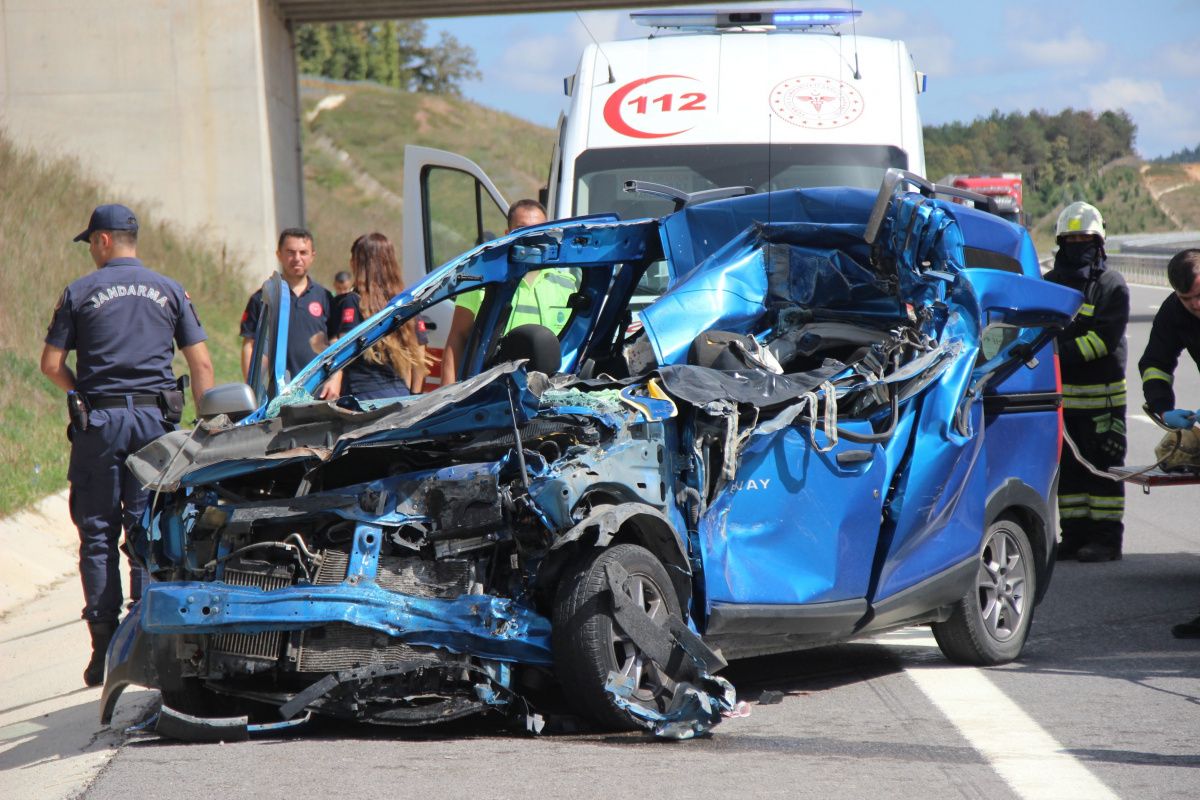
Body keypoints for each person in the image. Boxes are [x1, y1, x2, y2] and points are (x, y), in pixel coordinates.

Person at [40, 204, 215, 686]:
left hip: (100, 424)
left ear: (102, 240)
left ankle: (102, 648)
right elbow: (201, 365)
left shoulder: (79, 292)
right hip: (156, 426)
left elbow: (51, 364)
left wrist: (81, 395)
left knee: (97, 534)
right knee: (148, 529)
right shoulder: (170, 289)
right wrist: (208, 426)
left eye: (91, 242)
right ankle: (144, 637)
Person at [1043, 201, 1129, 563]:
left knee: (1102, 472)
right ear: (1061, 243)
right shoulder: (1048, 284)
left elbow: (1102, 341)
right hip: (1062, 402)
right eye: (1072, 239)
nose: (1078, 246)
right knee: (1069, 475)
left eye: (1086, 239)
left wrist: (1055, 354)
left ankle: (1107, 540)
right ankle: (1074, 537)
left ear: (1100, 243)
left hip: (1102, 404)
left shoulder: (1110, 285)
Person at [441, 199, 577, 386]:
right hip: (492, 390)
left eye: (539, 230)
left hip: (549, 392)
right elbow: (458, 337)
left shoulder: (566, 285)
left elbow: (573, 345)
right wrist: (447, 396)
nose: (532, 237)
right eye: (523, 229)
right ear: (508, 234)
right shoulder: (482, 282)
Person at [1137, 248, 1200, 637]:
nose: (1195, 305)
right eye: (1186, 298)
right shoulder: (1175, 311)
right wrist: (1164, 410)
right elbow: (1155, 363)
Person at [325, 233, 430, 401]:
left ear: (360, 264)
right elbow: (419, 359)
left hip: (363, 397)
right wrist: (414, 397)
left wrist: (326, 344)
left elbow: (345, 352)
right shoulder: (407, 303)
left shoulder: (354, 300)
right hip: (400, 396)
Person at [239, 228, 335, 389]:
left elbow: (336, 343)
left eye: (303, 253)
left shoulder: (324, 297)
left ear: (312, 256)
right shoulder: (263, 298)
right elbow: (250, 345)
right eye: (290, 252)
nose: (297, 258)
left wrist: (335, 381)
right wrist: (253, 387)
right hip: (277, 393)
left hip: (319, 390)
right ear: (279, 255)